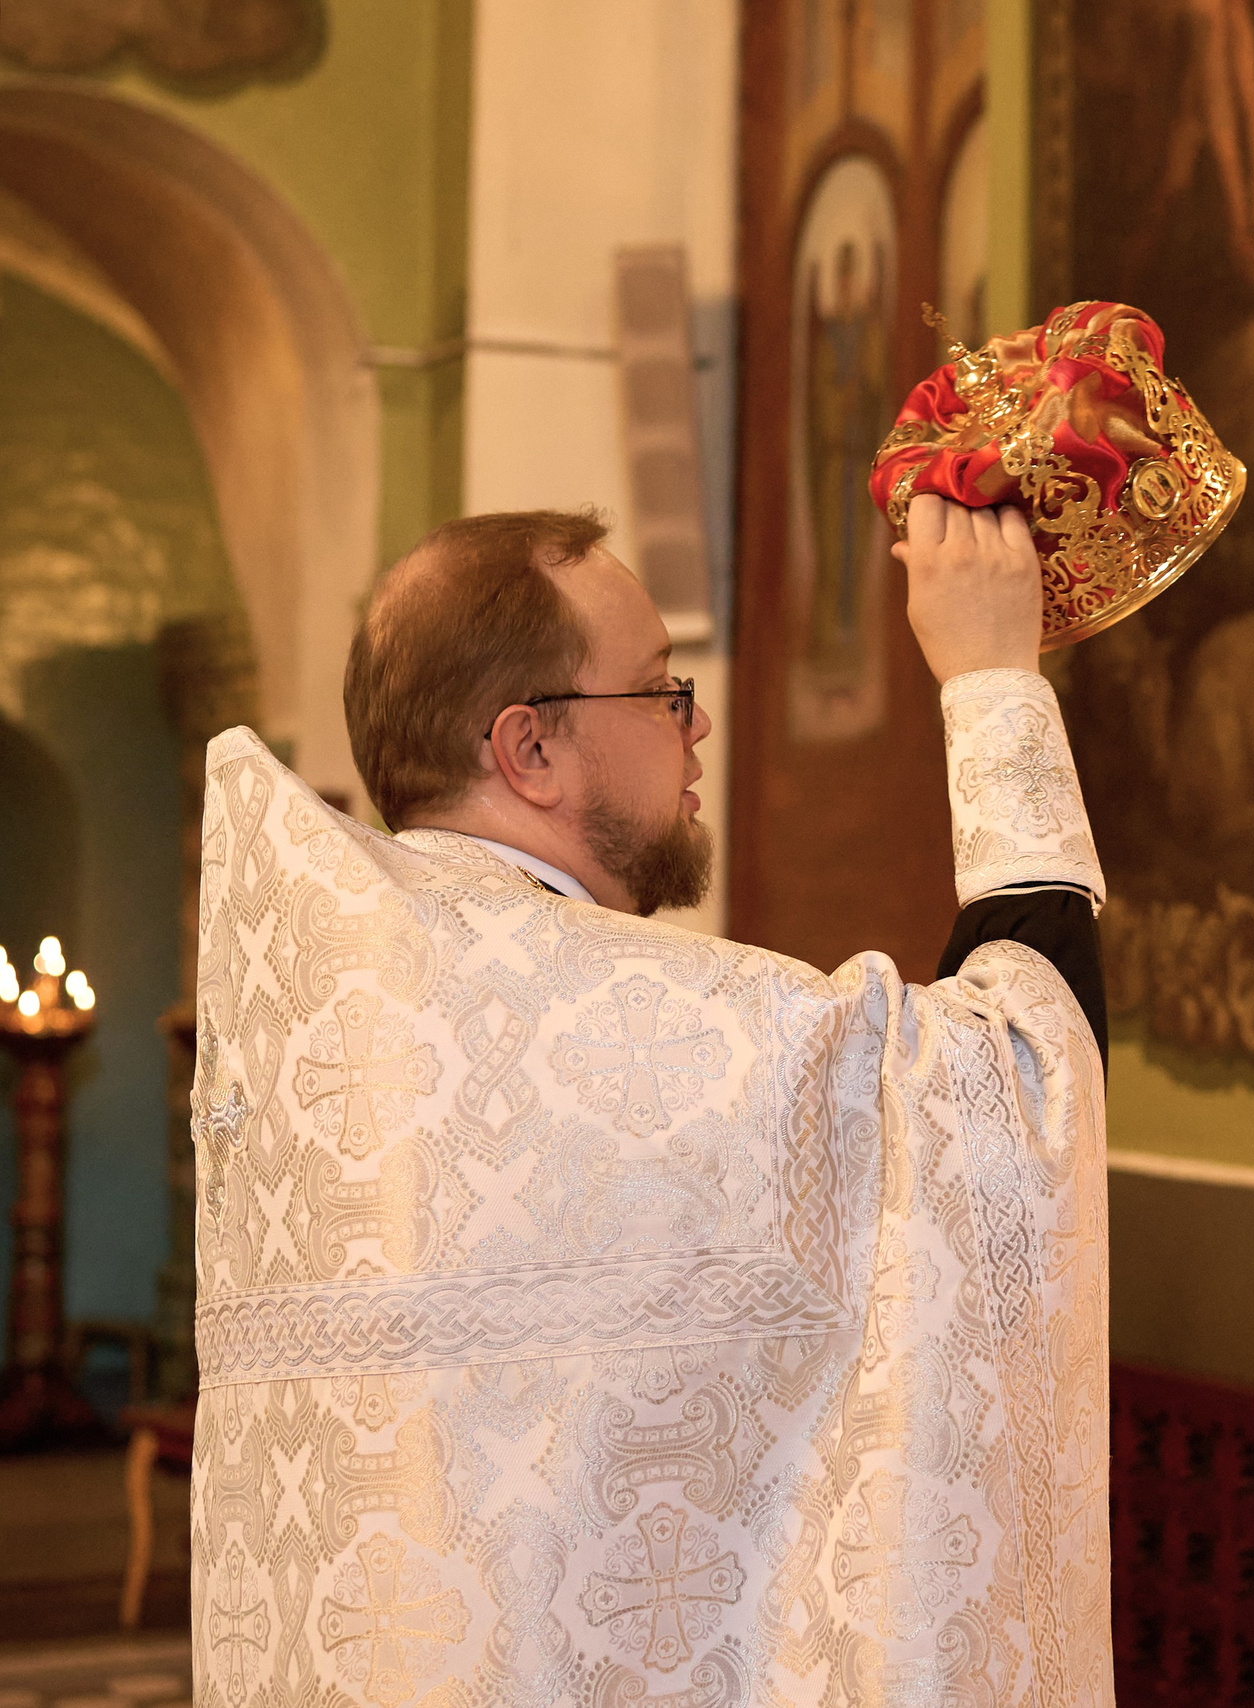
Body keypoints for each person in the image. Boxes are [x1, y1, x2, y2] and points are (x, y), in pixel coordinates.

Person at [189, 498, 1114, 1705]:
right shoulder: (645, 1026)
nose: (701, 725)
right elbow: (1023, 1077)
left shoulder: (310, 1027)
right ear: (528, 750)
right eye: (662, 689)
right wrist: (995, 679)